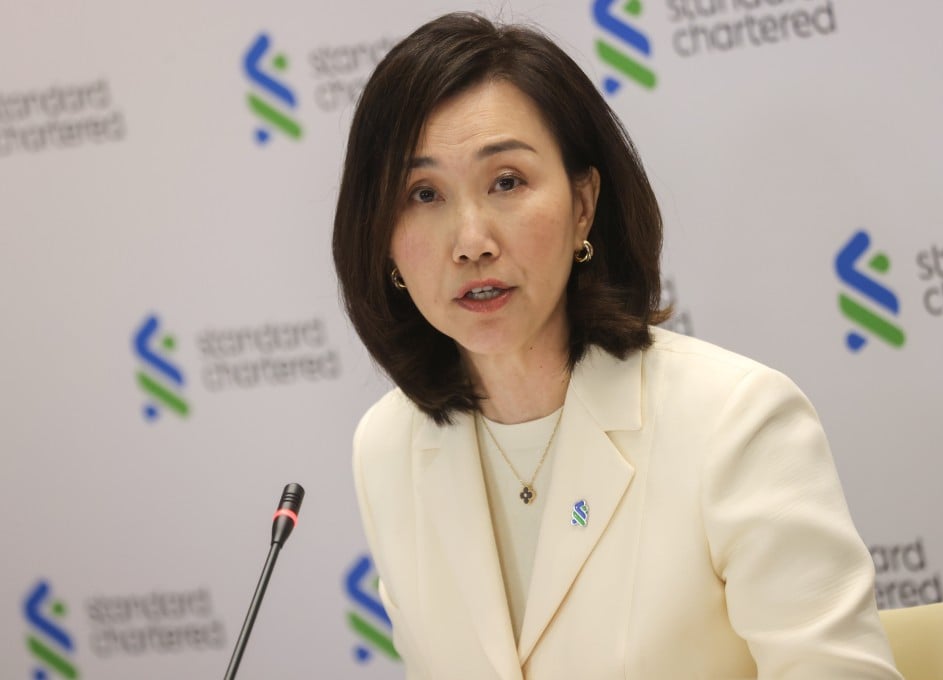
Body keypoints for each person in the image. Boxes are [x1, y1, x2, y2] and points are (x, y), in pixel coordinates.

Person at [333, 11, 902, 680]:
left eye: (507, 182)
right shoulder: (387, 448)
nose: (471, 240)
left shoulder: (734, 421)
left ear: (583, 204)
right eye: (422, 193)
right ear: (381, 237)